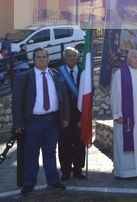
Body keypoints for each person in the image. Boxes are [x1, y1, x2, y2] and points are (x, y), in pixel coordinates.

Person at [12, 47, 70, 196]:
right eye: (38, 57)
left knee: (50, 152)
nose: (42, 59)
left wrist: (65, 117)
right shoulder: (24, 77)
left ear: (48, 59)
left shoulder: (56, 75)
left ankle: (53, 181)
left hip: (52, 121)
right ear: (33, 59)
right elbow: (17, 103)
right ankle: (29, 184)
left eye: (44, 57)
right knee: (32, 154)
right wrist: (18, 124)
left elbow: (63, 98)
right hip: (33, 121)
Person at [111, 49, 137, 179]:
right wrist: (117, 113)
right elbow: (115, 94)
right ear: (128, 59)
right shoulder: (120, 74)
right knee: (124, 142)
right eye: (135, 57)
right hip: (125, 117)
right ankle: (124, 172)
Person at [57, 47, 86, 180]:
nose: (72, 58)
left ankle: (78, 169)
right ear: (64, 57)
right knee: (65, 144)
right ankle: (66, 171)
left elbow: (89, 92)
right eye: (69, 56)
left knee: (79, 143)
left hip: (80, 114)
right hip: (65, 115)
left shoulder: (83, 72)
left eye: (74, 56)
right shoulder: (59, 73)